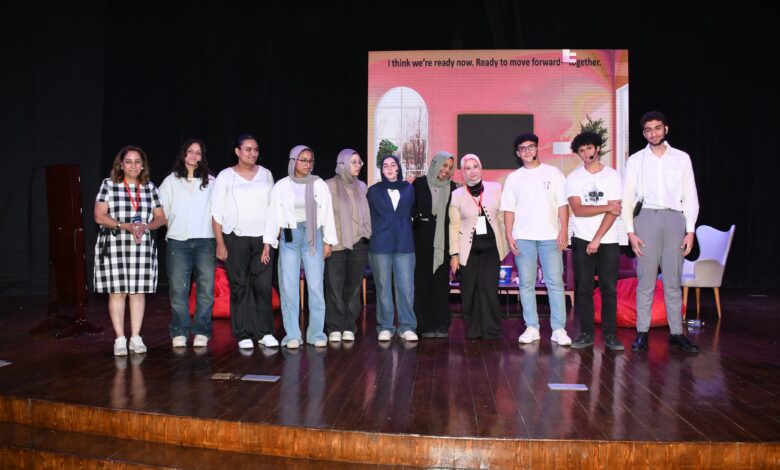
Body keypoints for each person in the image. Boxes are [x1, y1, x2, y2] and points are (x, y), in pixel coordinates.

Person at [622, 111, 700, 353]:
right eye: (648, 130)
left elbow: (691, 196)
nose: (653, 133)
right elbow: (627, 198)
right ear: (643, 133)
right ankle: (642, 332)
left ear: (666, 129)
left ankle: (676, 333)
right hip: (646, 218)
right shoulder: (635, 160)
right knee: (645, 279)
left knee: (673, 281)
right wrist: (630, 232)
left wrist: (690, 231)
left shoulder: (682, 158)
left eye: (657, 128)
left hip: (675, 219)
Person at [94, 145, 166, 356]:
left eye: (137, 162)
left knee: (137, 292)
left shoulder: (150, 188)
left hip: (141, 245)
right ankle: (119, 339)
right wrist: (123, 225)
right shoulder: (109, 185)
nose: (133, 165)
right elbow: (99, 215)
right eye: (128, 162)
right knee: (117, 292)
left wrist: (147, 226)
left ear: (143, 165)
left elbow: (161, 218)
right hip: (115, 244)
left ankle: (135, 337)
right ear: (121, 165)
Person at [500, 133, 572, 346]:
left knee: (555, 283)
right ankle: (532, 327)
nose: (527, 151)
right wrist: (509, 235)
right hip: (523, 237)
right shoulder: (513, 178)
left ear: (537, 148)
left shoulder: (553, 173)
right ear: (517, 153)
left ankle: (559, 329)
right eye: (523, 148)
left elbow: (563, 205)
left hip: (551, 236)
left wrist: (564, 230)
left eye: (531, 146)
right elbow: (509, 210)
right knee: (526, 284)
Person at [266, 145, 338, 349]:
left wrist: (329, 241)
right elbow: (273, 214)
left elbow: (328, 213)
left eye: (310, 160)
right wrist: (269, 241)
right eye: (303, 160)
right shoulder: (281, 185)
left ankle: (316, 334)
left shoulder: (319, 184)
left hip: (313, 235)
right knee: (289, 287)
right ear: (293, 161)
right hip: (290, 236)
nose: (308, 164)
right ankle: (292, 335)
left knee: (315, 286)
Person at [211, 134, 278, 350]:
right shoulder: (225, 176)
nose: (253, 153)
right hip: (234, 239)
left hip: (262, 239)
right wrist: (220, 243)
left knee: (263, 286)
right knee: (239, 286)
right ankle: (242, 333)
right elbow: (217, 213)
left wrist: (269, 241)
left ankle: (265, 332)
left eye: (256, 149)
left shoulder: (266, 174)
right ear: (237, 151)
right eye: (248, 149)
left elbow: (273, 209)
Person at [565, 132, 624, 351]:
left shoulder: (613, 176)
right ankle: (586, 333)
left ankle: (610, 335)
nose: (586, 153)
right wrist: (607, 206)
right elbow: (578, 210)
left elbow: (615, 211)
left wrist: (597, 238)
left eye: (589, 148)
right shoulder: (574, 178)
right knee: (584, 289)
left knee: (609, 288)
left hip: (607, 240)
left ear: (597, 148)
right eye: (581, 150)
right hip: (581, 239)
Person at [158, 139, 216, 349]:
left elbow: (218, 212)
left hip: (205, 241)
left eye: (198, 152)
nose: (193, 156)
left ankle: (201, 330)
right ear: (183, 154)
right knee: (178, 289)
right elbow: (161, 210)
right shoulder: (170, 181)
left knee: (206, 289)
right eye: (190, 151)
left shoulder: (211, 181)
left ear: (203, 157)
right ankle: (180, 330)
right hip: (178, 242)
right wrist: (174, 227)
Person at [449, 154, 508, 339]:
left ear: (481, 168)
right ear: (463, 172)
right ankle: (474, 329)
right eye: (468, 168)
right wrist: (454, 254)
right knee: (469, 291)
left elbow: (503, 219)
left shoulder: (496, 188)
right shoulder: (457, 194)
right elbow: (454, 226)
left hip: (492, 249)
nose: (472, 171)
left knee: (489, 289)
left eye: (475, 166)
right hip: (467, 251)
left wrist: (510, 240)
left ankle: (491, 330)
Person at [366, 155, 417, 342]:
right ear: (381, 170)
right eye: (385, 166)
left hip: (405, 243)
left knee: (406, 287)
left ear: (398, 168)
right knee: (383, 287)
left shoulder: (409, 188)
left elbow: (413, 213)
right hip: (380, 244)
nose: (389, 168)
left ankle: (407, 326)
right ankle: (385, 326)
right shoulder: (373, 191)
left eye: (392, 165)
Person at [324, 149, 371, 342]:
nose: (358, 165)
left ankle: (349, 326)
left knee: (353, 288)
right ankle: (334, 327)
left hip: (359, 243)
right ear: (342, 163)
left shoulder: (362, 186)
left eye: (359, 162)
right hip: (336, 243)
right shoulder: (329, 186)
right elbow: (323, 217)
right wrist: (326, 241)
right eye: (354, 162)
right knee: (334, 287)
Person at [412, 151, 456, 338]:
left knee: (440, 283)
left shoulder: (453, 187)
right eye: (443, 165)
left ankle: (440, 324)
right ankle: (423, 324)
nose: (446, 170)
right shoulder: (419, 184)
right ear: (435, 164)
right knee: (422, 282)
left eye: (450, 167)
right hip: (421, 240)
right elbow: (411, 210)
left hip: (443, 241)